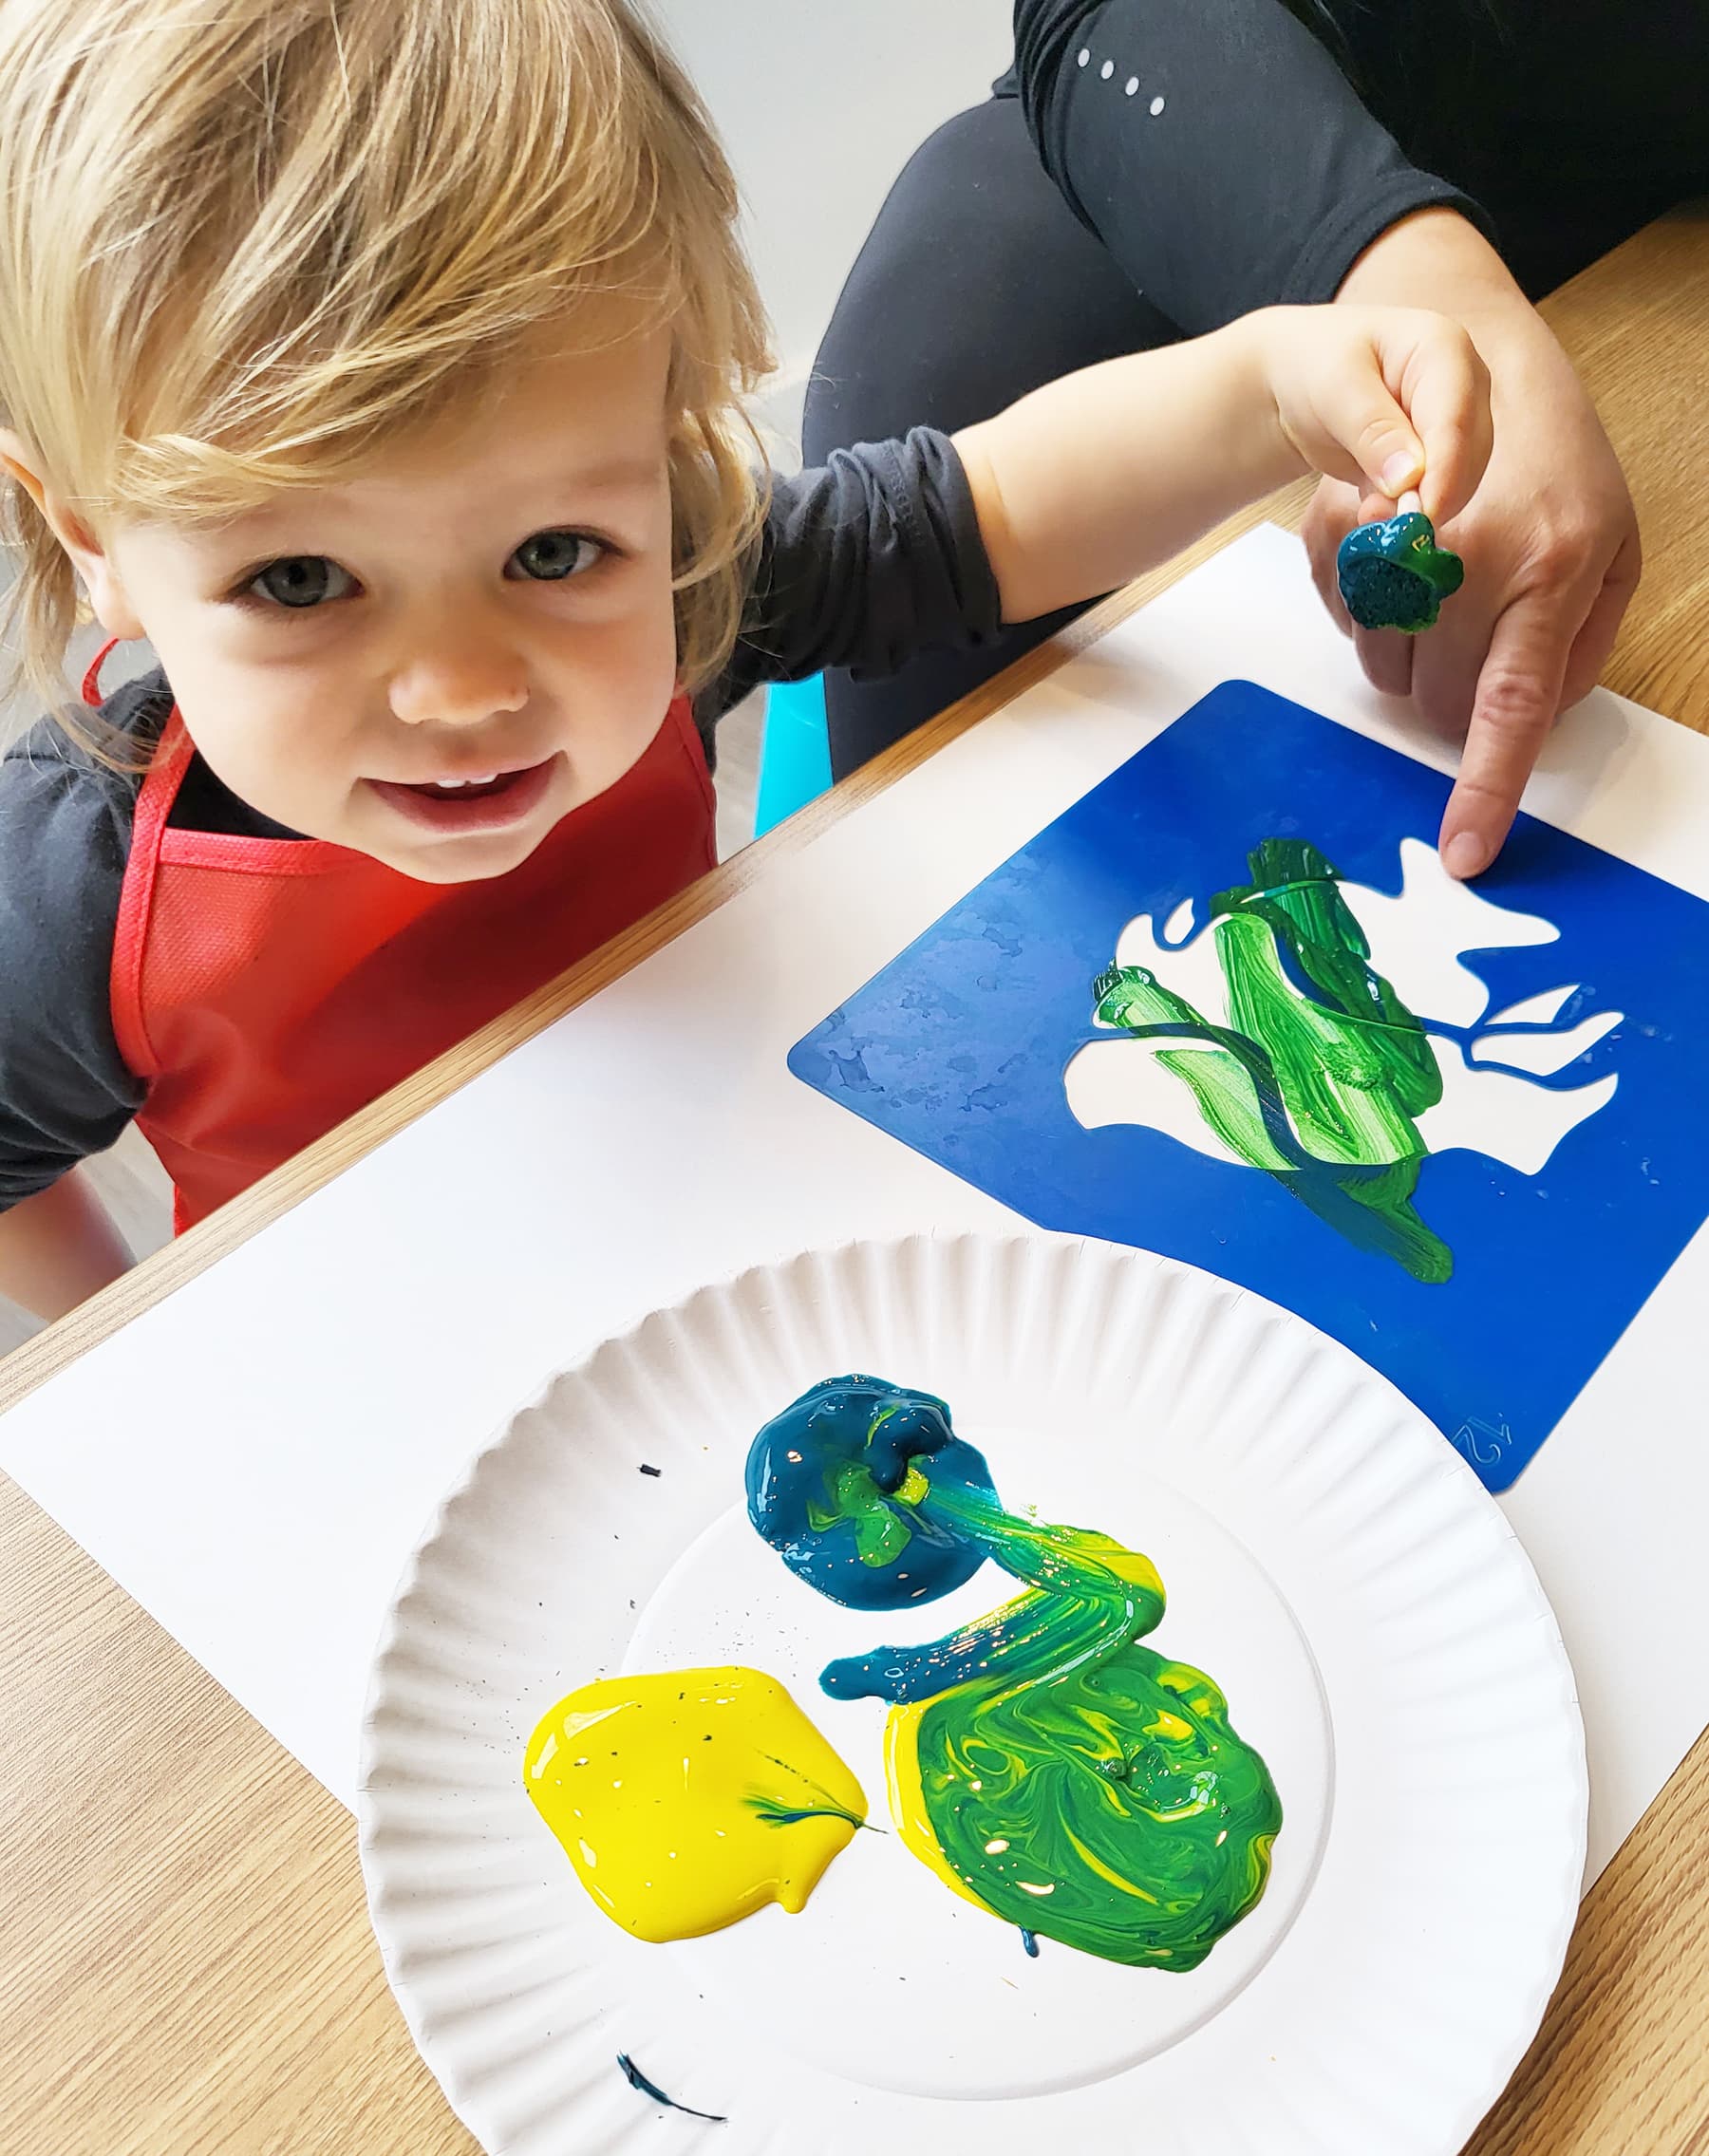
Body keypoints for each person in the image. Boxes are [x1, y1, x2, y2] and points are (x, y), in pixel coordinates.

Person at [0, 0, 1493, 1325]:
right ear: (93, 541)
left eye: (553, 550)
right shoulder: (63, 893)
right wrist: (123, 1337)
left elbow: (991, 510)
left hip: (732, 1259)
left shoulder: (691, 594)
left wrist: (1275, 386)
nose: (464, 689)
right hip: (359, 1378)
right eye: (301, 582)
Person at [808, 0, 1706, 877]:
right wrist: (1402, 294)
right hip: (1200, 110)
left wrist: (1284, 387)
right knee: (928, 378)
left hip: (1618, 223)